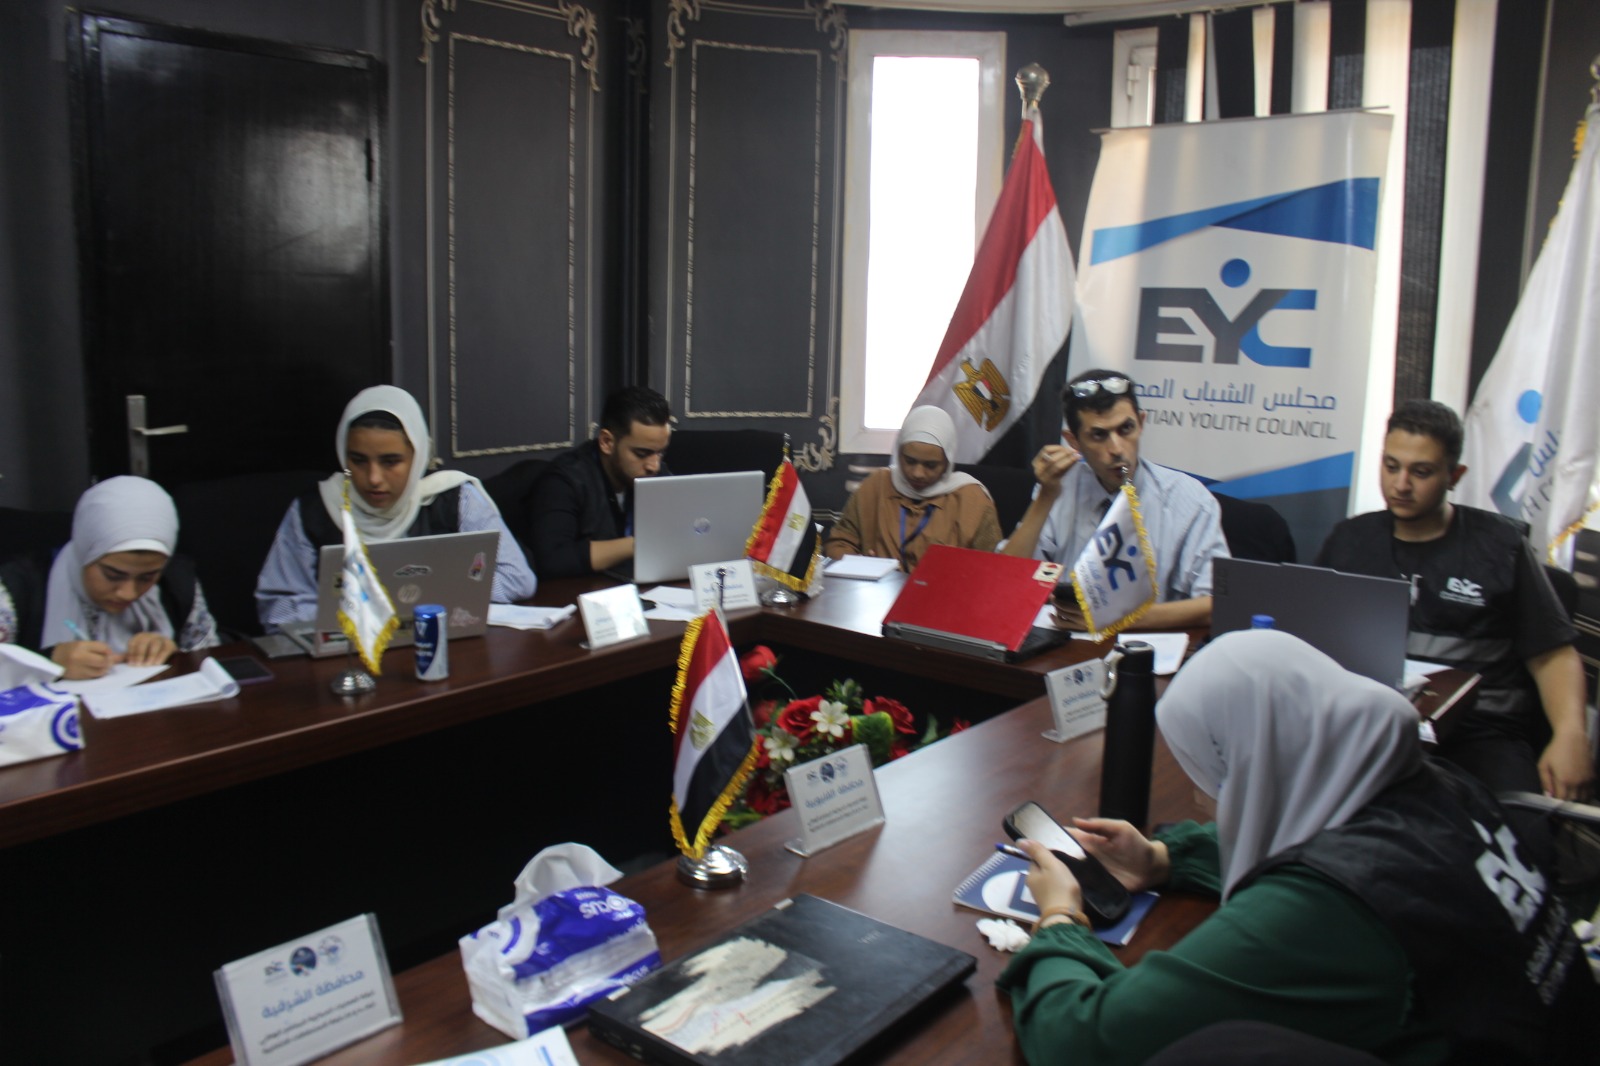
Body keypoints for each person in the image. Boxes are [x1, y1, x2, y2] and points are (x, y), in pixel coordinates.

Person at [998, 629, 1597, 1066]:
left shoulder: (1319, 913)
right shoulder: (1438, 785)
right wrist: (1163, 858)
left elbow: (1085, 1042)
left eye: (1214, 773)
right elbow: (1336, 848)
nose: (1204, 800)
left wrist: (1060, 919)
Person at [1314, 399, 1592, 801]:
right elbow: (1310, 641)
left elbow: (1553, 655)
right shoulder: (1348, 541)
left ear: (1454, 476)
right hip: (1370, 725)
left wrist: (1570, 735)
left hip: (1481, 734)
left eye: (1421, 472)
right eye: (1391, 466)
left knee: (1514, 833)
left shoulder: (1501, 546)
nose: (1401, 485)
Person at [255, 385, 536, 630]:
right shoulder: (316, 509)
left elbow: (517, 579)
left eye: (390, 462)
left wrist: (426, 595)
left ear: (417, 456)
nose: (374, 478)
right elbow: (278, 609)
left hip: (441, 645)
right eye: (358, 460)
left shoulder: (454, 497)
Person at [1001, 369, 1228, 629]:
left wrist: (1118, 618)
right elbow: (1006, 583)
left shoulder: (1190, 499)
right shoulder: (1059, 488)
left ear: (1141, 423)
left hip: (1148, 641)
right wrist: (1045, 496)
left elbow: (1217, 603)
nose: (1117, 449)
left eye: (1126, 429)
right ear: (1074, 441)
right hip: (1064, 639)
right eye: (1099, 435)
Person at [0, 476, 219, 678]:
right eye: (113, 575)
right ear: (85, 553)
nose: (128, 593)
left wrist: (178, 656)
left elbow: (213, 662)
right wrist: (49, 662)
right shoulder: (17, 588)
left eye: (146, 578)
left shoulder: (176, 582)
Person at [824, 405, 1001, 571]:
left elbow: (992, 568)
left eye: (930, 465)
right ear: (899, 453)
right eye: (909, 461)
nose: (918, 473)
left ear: (947, 462)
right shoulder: (876, 486)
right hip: (878, 591)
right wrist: (860, 564)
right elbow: (838, 544)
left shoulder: (973, 500)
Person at [529, 385, 672, 578]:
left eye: (660, 452)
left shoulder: (657, 474)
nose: (654, 466)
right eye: (641, 453)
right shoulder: (565, 480)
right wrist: (641, 544)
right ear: (607, 442)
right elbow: (553, 559)